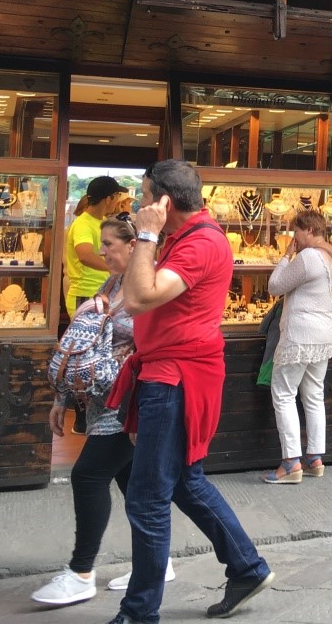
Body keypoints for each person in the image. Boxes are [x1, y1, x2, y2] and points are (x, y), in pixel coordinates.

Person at [107, 160, 273, 624]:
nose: (137, 207)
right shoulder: (185, 237)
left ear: (163, 203)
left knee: (147, 497)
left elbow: (140, 297)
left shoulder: (199, 243)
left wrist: (145, 236)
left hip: (176, 378)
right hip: (168, 372)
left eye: (143, 197)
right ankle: (246, 567)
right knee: (183, 481)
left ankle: (140, 613)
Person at [32, 217, 177, 605]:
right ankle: (157, 561)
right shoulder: (113, 283)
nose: (102, 252)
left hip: (130, 400)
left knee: (88, 475)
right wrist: (61, 398)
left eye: (110, 244)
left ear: (134, 247)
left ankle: (81, 572)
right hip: (103, 399)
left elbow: (152, 341)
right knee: (131, 483)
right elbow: (83, 342)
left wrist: (102, 317)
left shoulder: (152, 284)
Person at [262, 209, 332, 484]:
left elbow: (274, 285)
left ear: (308, 229)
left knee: (283, 394)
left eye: (295, 231)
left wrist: (286, 256)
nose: (293, 237)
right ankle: (314, 458)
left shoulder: (308, 257)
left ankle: (290, 463)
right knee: (314, 394)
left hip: (300, 335)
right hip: (325, 335)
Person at [64, 176, 127, 434]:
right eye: (117, 198)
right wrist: (117, 269)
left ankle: (101, 412)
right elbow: (85, 254)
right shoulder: (82, 223)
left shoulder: (101, 223)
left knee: (103, 356)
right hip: (86, 297)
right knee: (85, 355)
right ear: (109, 198)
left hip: (103, 298)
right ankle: (81, 419)